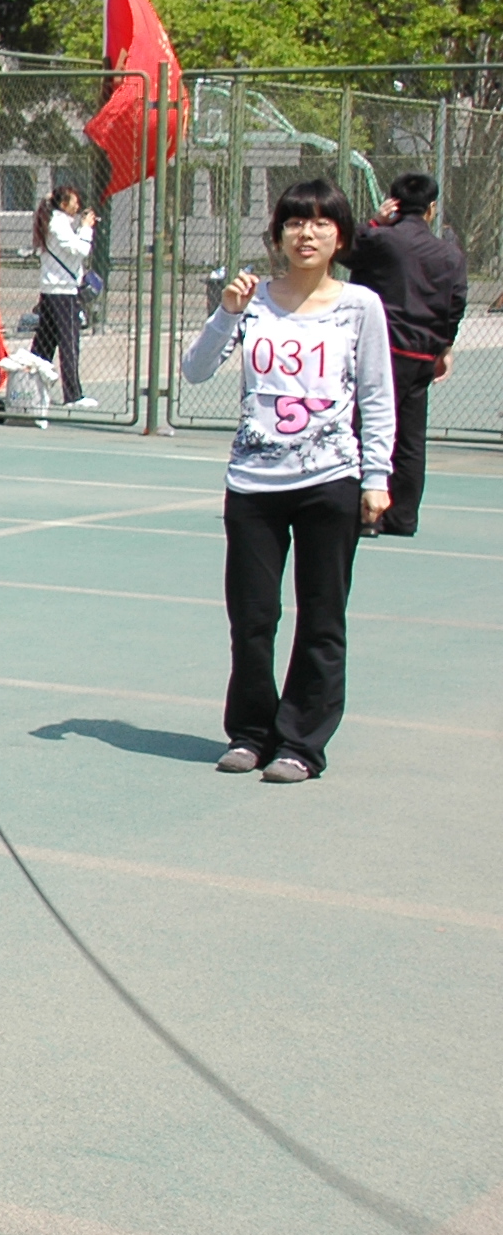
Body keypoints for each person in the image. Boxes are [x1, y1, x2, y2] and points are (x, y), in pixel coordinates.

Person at [182, 181, 394, 784]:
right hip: (254, 482)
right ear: (276, 234)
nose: (308, 233)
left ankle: (302, 742)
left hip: (331, 478)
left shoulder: (361, 307)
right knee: (252, 616)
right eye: (296, 223)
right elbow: (194, 372)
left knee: (322, 616)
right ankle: (251, 731)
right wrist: (225, 312)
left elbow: (377, 397)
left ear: (341, 237)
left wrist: (376, 478)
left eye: (322, 223)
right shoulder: (250, 301)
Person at [341, 172, 467, 537]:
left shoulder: (381, 240)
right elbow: (455, 303)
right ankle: (403, 516)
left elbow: (343, 248)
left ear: (393, 203)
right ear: (432, 209)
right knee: (411, 438)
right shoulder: (449, 253)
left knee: (365, 428)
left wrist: (375, 221)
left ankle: (366, 515)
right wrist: (444, 345)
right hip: (420, 353)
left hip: (379, 348)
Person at [32, 184, 95, 407]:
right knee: (69, 342)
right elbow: (79, 250)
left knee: (44, 344)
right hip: (61, 292)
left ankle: (34, 389)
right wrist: (86, 229)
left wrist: (80, 228)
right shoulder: (57, 223)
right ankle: (73, 394)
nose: (77, 206)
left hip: (54, 290)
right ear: (62, 204)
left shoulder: (58, 223)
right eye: (73, 202)